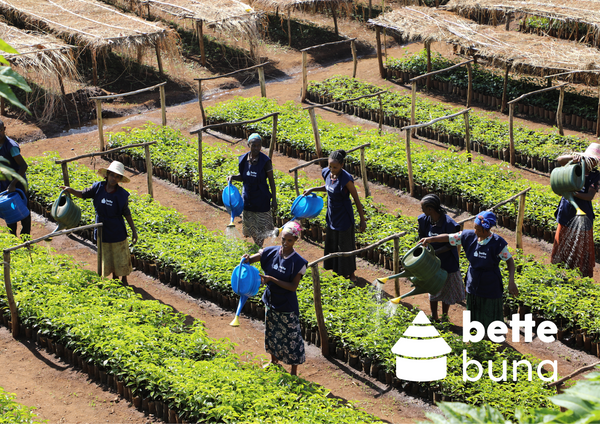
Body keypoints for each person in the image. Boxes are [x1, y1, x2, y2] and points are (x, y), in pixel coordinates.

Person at [420, 211, 518, 330]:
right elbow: (449, 237)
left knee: (489, 311)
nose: (475, 231)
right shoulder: (468, 236)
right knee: (473, 309)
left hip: (491, 283)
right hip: (473, 280)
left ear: (486, 230)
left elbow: (509, 261)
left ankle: (490, 335)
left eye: (478, 229)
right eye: (474, 228)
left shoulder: (497, 243)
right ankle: (475, 333)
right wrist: (430, 239)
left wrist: (511, 281)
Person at [242, 220, 307, 376]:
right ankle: (273, 361)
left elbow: (293, 287)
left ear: (295, 240)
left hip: (287, 306)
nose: (285, 243)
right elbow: (253, 259)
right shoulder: (271, 252)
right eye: (283, 239)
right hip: (271, 301)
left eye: (289, 240)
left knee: (291, 338)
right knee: (272, 332)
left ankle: (293, 372)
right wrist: (247, 258)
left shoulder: (298, 262)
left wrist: (271, 279)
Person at [60, 161, 137, 284]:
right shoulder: (98, 187)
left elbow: (126, 212)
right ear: (107, 175)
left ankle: (124, 279)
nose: (114, 178)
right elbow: (83, 194)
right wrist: (71, 190)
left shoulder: (121, 194)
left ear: (120, 179)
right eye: (112, 175)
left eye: (117, 177)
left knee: (121, 255)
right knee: (107, 254)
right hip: (102, 228)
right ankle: (115, 278)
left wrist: (133, 230)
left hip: (117, 229)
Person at [303, 150, 366, 283]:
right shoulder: (326, 172)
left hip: (344, 216)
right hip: (332, 215)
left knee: (346, 246)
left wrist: (362, 220)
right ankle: (337, 271)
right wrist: (312, 189)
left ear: (342, 165)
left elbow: (356, 199)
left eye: (335, 167)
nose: (332, 169)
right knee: (333, 243)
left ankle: (351, 274)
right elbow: (328, 187)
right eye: (330, 166)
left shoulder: (346, 179)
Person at [551, 143, 600, 278]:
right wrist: (573, 158)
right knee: (562, 242)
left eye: (596, 161)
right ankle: (559, 274)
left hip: (584, 213)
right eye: (592, 159)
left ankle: (581, 277)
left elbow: (589, 196)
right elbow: (559, 160)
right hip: (567, 211)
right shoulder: (574, 166)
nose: (593, 163)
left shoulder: (595, 175)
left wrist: (573, 193)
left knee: (581, 247)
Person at [418, 194, 464, 322]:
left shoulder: (449, 224)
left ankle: (444, 316)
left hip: (447, 261)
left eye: (423, 207)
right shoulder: (423, 220)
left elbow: (451, 244)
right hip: (432, 262)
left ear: (430, 209)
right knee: (433, 288)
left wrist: (435, 252)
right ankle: (434, 316)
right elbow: (421, 236)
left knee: (446, 290)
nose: (421, 210)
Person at [228, 133, 277, 247]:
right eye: (253, 145)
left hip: (261, 198)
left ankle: (258, 247)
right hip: (248, 198)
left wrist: (274, 199)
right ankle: (258, 245)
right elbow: (243, 177)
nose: (256, 148)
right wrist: (233, 177)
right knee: (251, 225)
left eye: (258, 145)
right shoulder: (243, 159)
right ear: (248, 145)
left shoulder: (265, 161)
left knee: (261, 226)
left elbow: (271, 180)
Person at [0, 120, 31, 236]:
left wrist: (13, 184)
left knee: (24, 213)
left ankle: (25, 239)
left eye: (0, 131)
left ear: (4, 129)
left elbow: (23, 166)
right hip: (4, 183)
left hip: (18, 184)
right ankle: (13, 238)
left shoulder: (11, 146)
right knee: (9, 211)